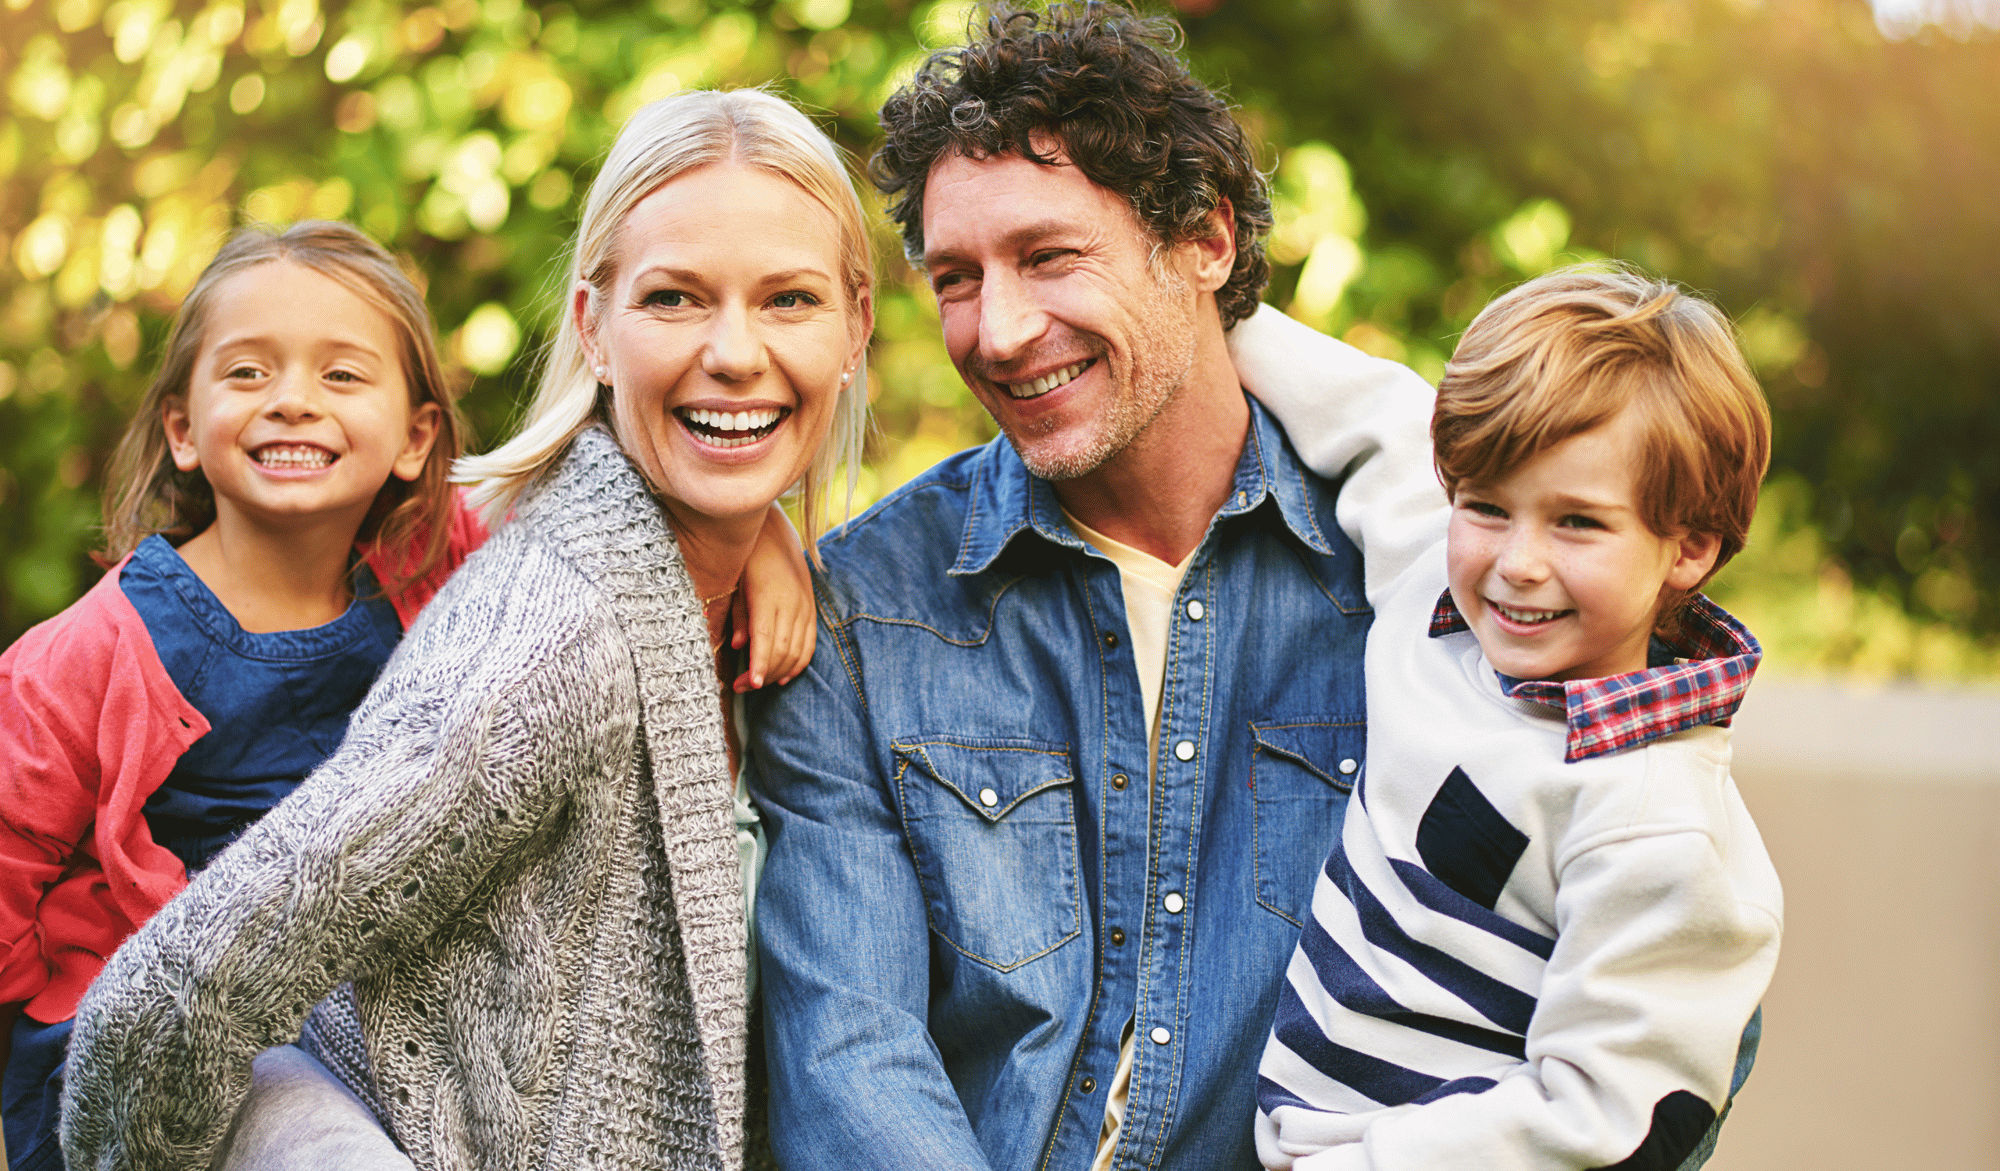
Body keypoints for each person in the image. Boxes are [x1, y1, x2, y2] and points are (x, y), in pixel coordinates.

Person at [57, 87, 866, 1171]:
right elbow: (171, 994)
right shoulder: (550, 642)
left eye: (788, 300)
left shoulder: (801, 604)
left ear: (856, 327)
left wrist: (764, 528)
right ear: (593, 327)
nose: (732, 351)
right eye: (673, 299)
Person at [747, 5, 1446, 1168]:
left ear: (1205, 242)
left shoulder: (1407, 573)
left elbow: (1604, 963)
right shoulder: (867, 609)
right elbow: (846, 1053)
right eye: (958, 278)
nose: (1000, 331)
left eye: (1048, 256)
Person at [1252, 266, 1781, 1170]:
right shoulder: (1436, 595)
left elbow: (1603, 1115)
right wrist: (1201, 306)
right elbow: (1372, 413)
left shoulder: (1653, 822)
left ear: (1689, 545)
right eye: (1487, 506)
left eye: (1577, 522)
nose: (1518, 562)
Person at [0, 220, 484, 1171]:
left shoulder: (432, 574)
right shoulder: (96, 652)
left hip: (358, 1023)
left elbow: (600, 516)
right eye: (249, 373)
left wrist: (752, 541)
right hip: (161, 1047)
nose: (294, 401)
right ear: (183, 427)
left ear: (417, 437)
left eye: (341, 376)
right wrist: (59, 1013)